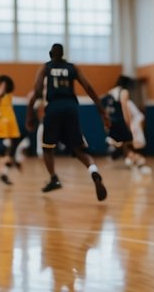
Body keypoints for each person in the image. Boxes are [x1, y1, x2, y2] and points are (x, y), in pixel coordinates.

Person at [27, 44, 111, 201]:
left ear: (50, 53)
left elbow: (37, 90)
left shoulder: (45, 68)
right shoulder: (72, 68)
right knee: (79, 149)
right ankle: (93, 171)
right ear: (64, 54)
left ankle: (53, 178)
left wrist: (29, 114)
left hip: (53, 108)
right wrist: (102, 111)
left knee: (47, 148)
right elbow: (88, 87)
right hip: (71, 108)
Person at [102, 76, 148, 172]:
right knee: (130, 144)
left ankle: (127, 156)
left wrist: (106, 123)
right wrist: (128, 123)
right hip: (120, 121)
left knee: (124, 145)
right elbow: (124, 108)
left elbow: (105, 109)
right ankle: (139, 162)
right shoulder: (123, 92)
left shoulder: (110, 92)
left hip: (111, 122)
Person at [0, 75, 22, 186]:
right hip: (8, 124)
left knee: (6, 151)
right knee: (6, 151)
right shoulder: (7, 95)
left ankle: (4, 172)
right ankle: (5, 171)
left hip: (4, 124)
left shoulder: (1, 94)